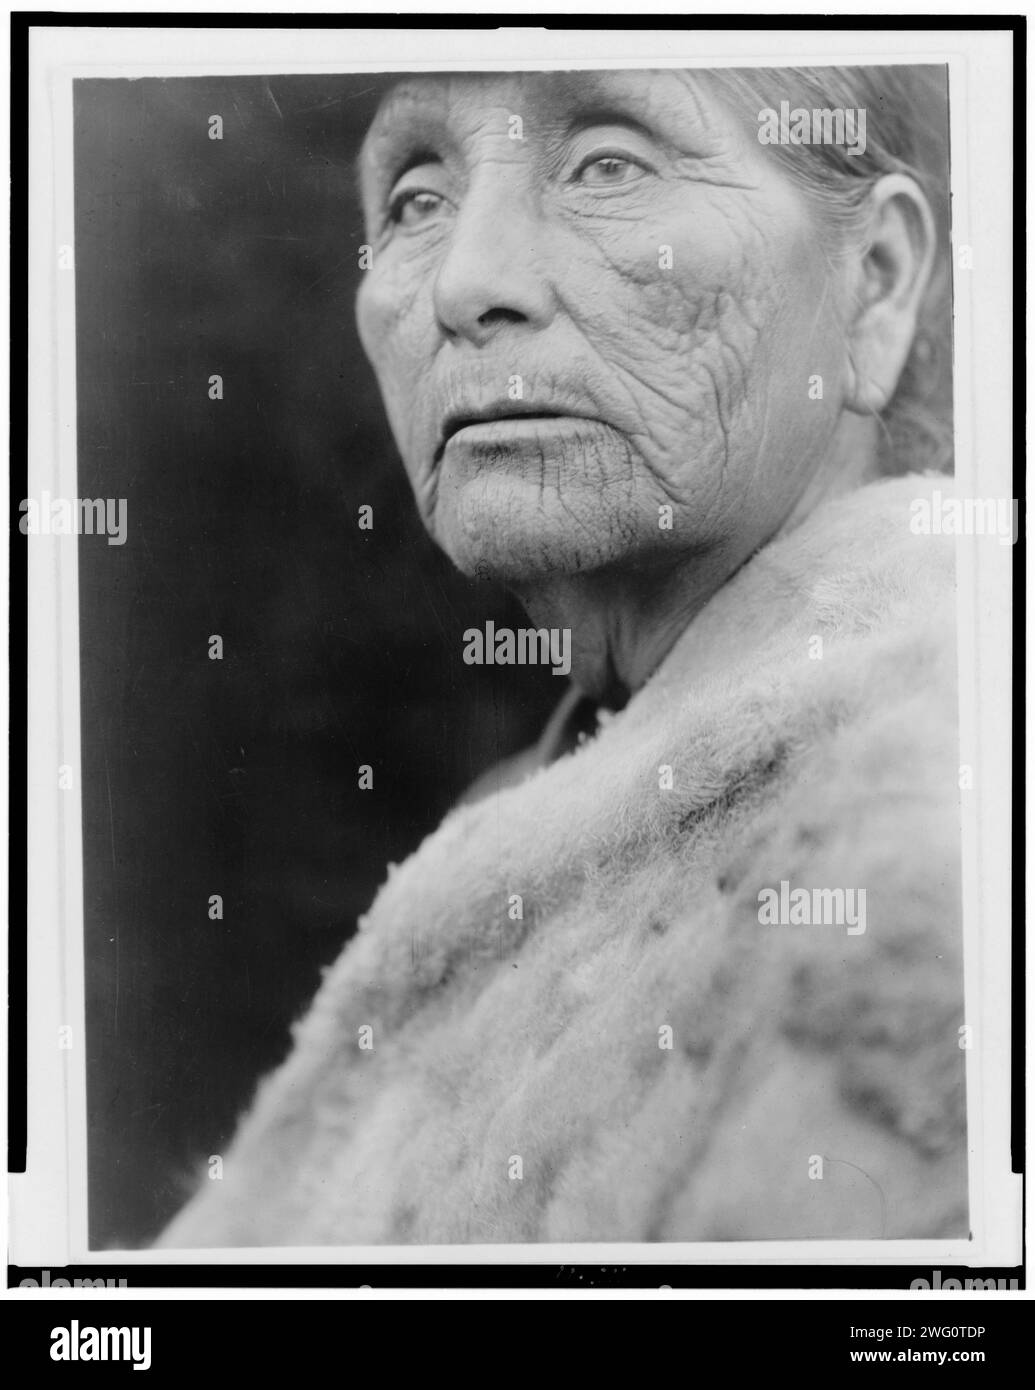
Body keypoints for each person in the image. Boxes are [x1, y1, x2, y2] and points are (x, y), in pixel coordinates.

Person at [159, 65, 965, 1245]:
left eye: (609, 166)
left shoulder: (940, 812)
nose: (466, 284)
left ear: (874, 286)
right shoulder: (530, 815)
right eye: (417, 197)